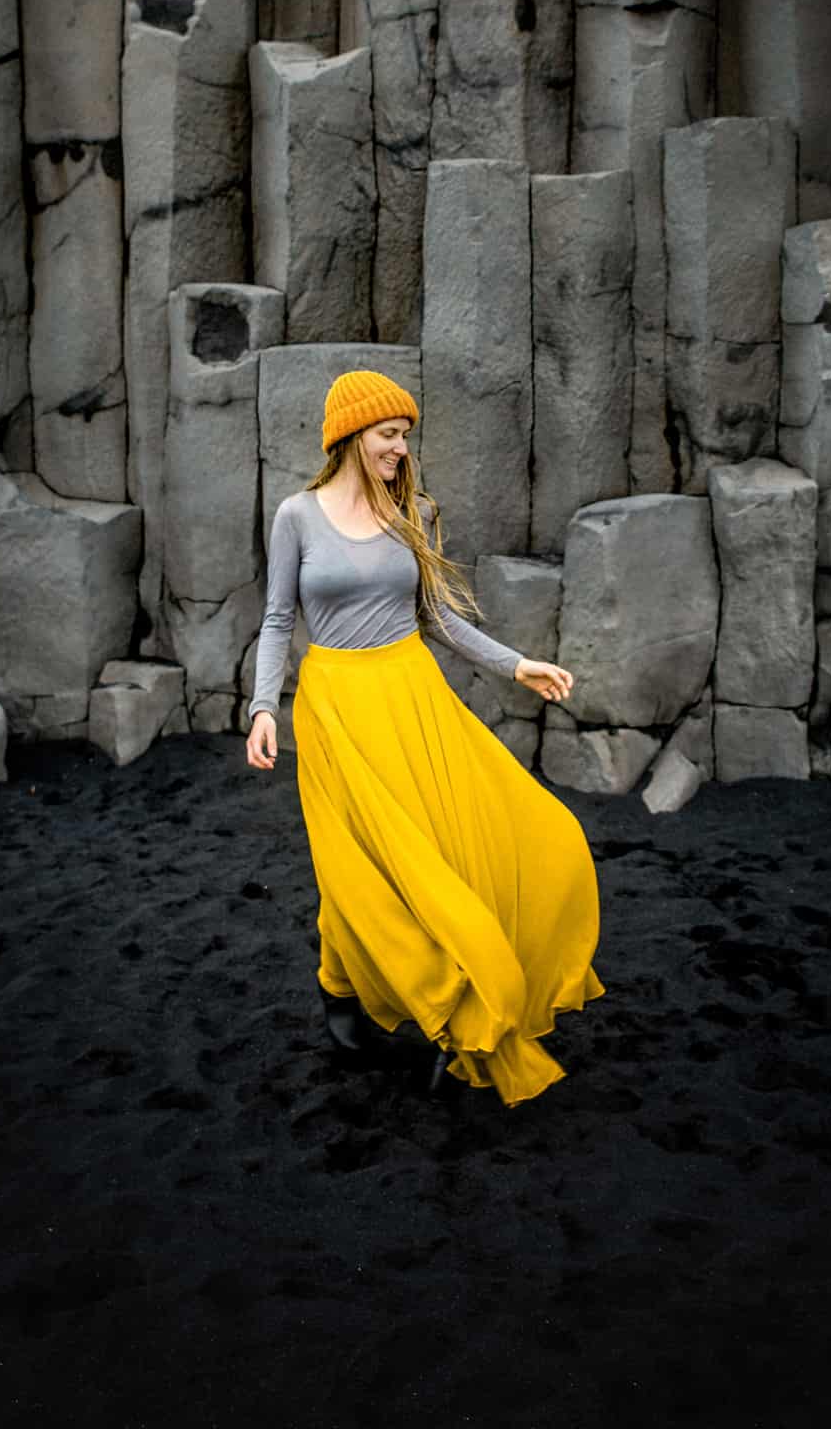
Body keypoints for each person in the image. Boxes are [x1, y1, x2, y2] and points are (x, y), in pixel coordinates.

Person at [245, 368, 605, 1107]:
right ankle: (352, 993)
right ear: (349, 435)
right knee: (361, 867)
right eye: (387, 434)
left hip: (413, 696)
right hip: (336, 709)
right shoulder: (296, 516)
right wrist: (261, 709)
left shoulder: (416, 511)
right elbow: (278, 621)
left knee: (479, 845)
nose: (400, 449)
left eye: (404, 436)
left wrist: (517, 666)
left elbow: (437, 618)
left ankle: (448, 1006)